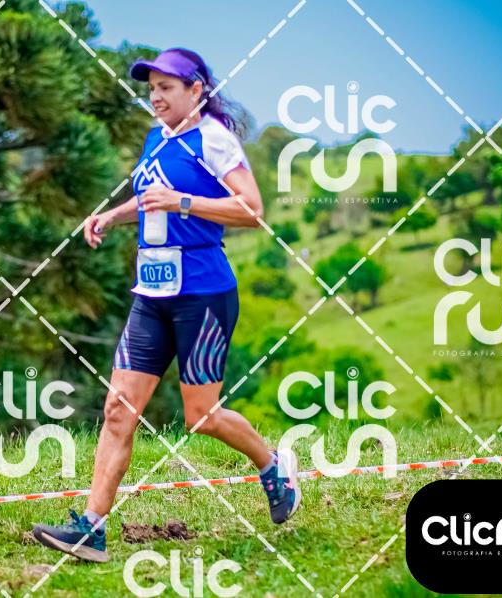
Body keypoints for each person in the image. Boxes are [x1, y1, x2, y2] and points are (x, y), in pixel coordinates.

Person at [32, 48, 300, 563]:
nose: (155, 97)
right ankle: (91, 530)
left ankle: (273, 467)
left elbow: (252, 209)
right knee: (118, 409)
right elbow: (151, 196)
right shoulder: (157, 137)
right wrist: (113, 215)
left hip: (203, 295)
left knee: (202, 416)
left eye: (166, 88)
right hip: (150, 296)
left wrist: (183, 203)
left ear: (196, 90)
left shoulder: (214, 139)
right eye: (151, 88)